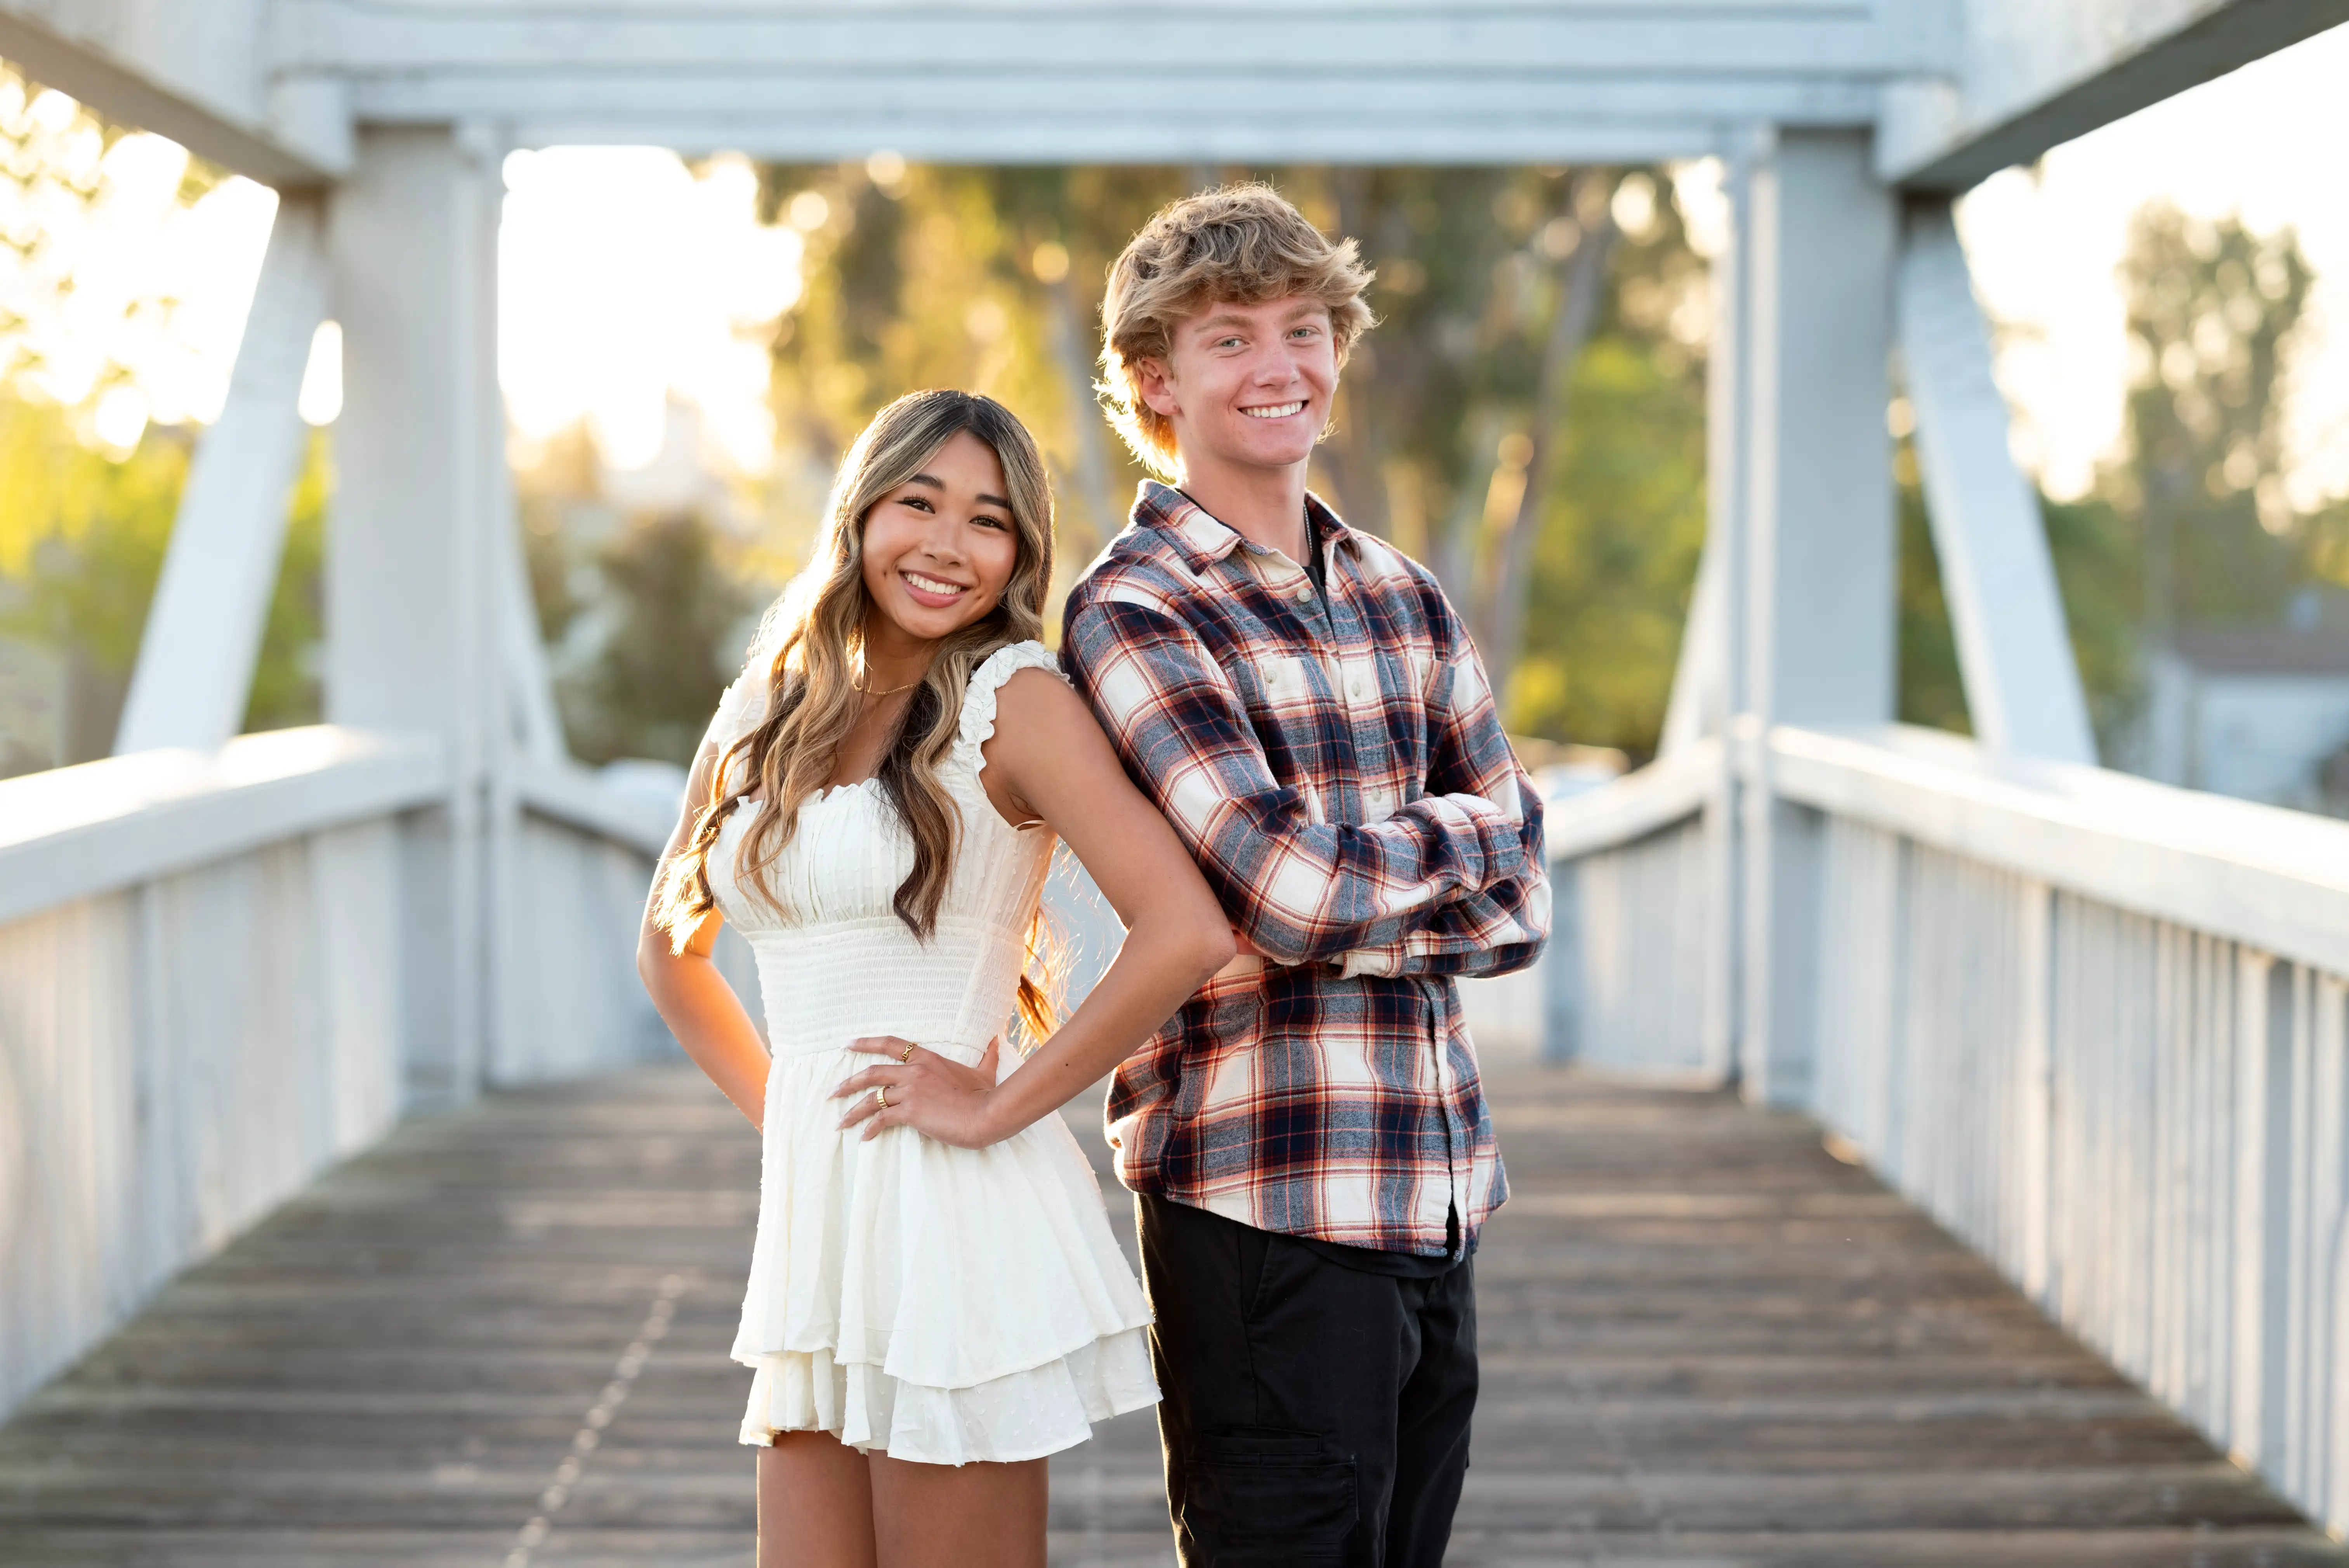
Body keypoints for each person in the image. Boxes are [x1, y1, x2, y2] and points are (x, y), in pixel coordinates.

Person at [638, 389, 1234, 1568]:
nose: (949, 545)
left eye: (991, 519)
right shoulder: (767, 703)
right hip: (820, 1220)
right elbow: (672, 945)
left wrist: (1001, 1101)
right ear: (863, 508)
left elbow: (1184, 928)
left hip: (956, 1211)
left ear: (1021, 552)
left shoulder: (1015, 699)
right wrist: (797, 1119)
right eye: (920, 502)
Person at [1060, 185, 1551, 1567]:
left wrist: (1355, 889)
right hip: (1260, 1202)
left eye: (1303, 328)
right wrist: (1463, 839)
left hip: (1436, 1187)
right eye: (1230, 339)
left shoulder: (1403, 591)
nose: (1280, 366)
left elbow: (1524, 904)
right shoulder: (1136, 605)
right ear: (1156, 379)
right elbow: (1289, 888)